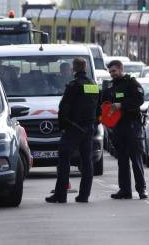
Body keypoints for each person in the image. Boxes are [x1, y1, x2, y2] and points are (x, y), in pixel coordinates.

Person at [46, 57, 99, 203]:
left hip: (73, 128)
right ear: (86, 68)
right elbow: (97, 107)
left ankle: (60, 195)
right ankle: (84, 195)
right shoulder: (93, 85)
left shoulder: (73, 85)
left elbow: (63, 108)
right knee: (87, 161)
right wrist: (93, 124)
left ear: (73, 69)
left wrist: (62, 127)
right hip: (88, 128)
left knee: (63, 159)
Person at [102, 60, 147, 200]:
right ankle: (125, 190)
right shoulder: (109, 86)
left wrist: (121, 105)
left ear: (121, 69)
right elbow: (103, 103)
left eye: (114, 71)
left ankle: (141, 189)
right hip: (117, 127)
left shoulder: (131, 83)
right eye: (110, 72)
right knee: (122, 160)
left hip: (132, 125)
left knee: (136, 158)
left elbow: (139, 99)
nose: (112, 74)